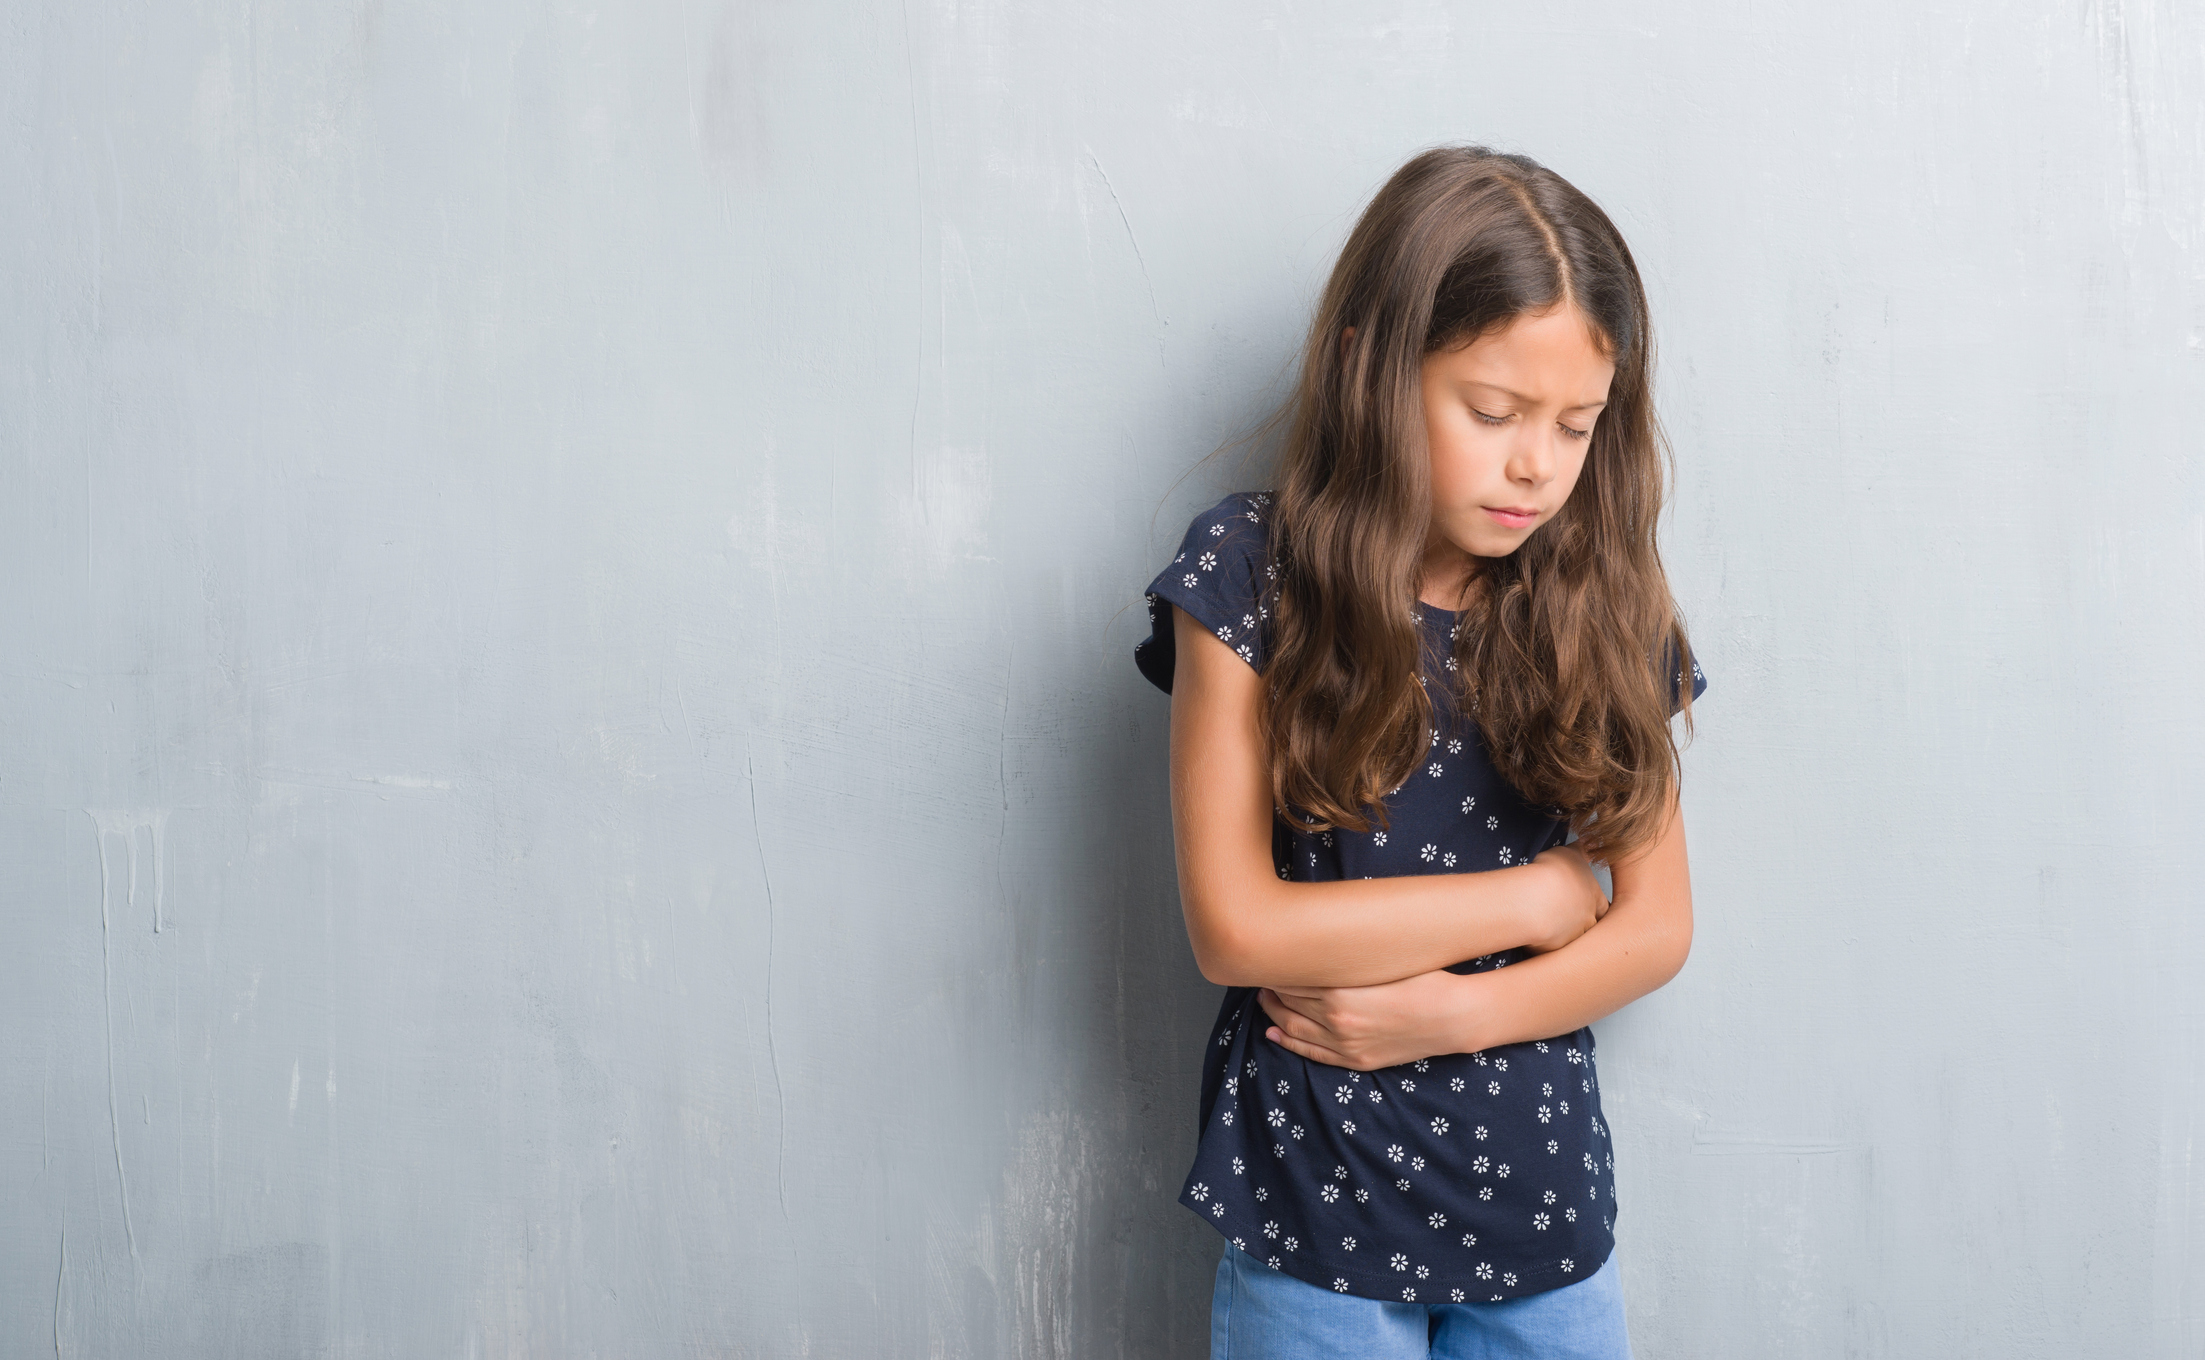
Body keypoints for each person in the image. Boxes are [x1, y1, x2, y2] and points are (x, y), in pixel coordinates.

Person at [1132, 145, 1707, 1359]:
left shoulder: (1604, 606)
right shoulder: (1249, 578)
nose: (1535, 465)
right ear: (1370, 364)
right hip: (1314, 1224)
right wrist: (1544, 895)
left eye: (1575, 426)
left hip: (1541, 1221)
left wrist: (1449, 1016)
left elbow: (1655, 927)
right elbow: (1235, 926)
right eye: (1493, 413)